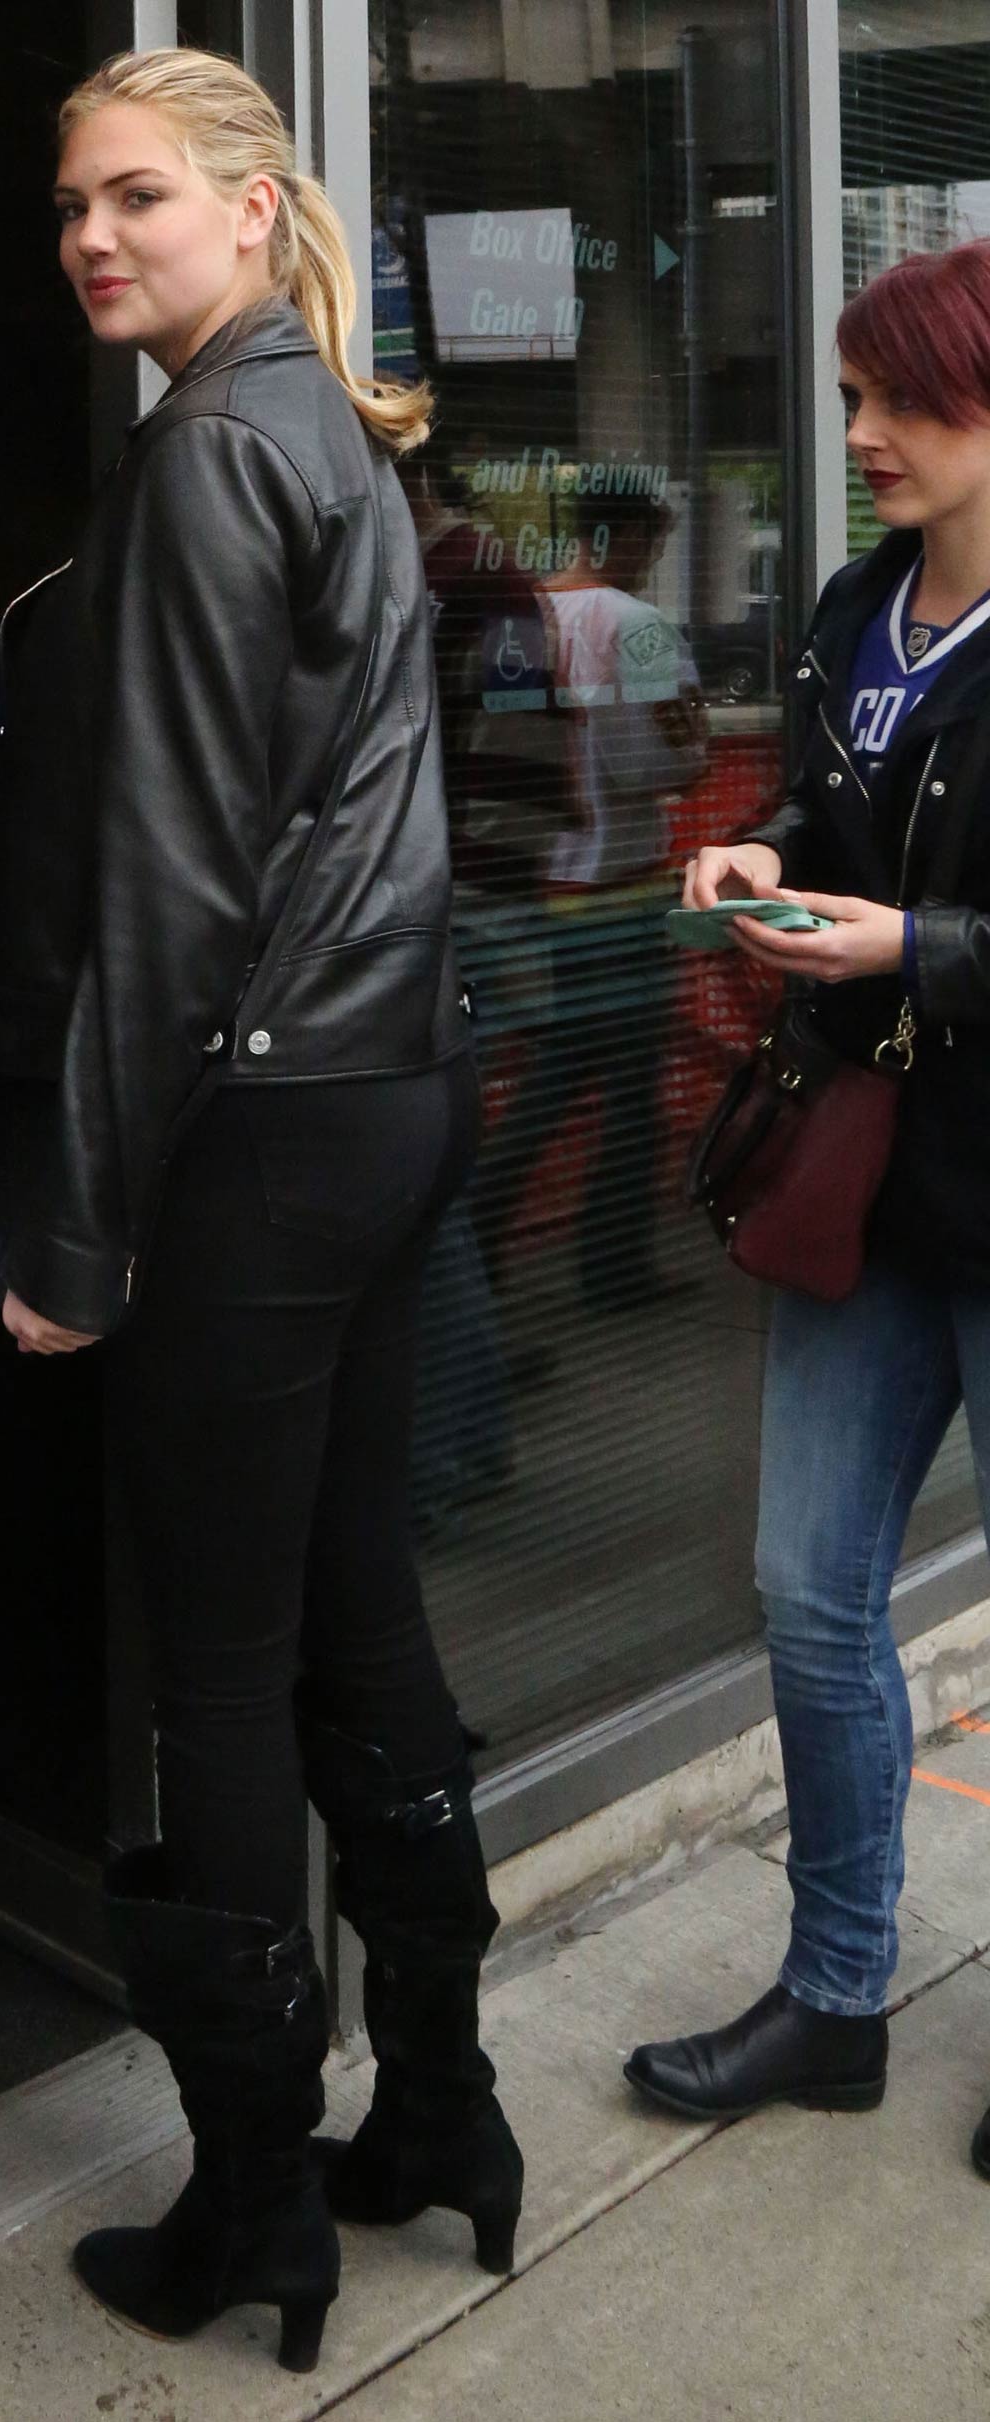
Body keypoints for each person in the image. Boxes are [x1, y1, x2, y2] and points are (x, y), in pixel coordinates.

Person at [0, 47, 520, 2374]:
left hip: (264, 1127)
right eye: (71, 201)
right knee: (351, 1621)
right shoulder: (323, 433)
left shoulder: (209, 449)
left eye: (136, 197)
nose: (94, 236)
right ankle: (446, 2119)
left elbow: (170, 890)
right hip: (384, 1098)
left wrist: (73, 1238)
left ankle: (256, 2204)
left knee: (218, 1671)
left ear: (245, 206)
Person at [625, 238, 990, 2152]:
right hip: (862, 1185)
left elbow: (927, 910)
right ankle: (839, 1992)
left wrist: (916, 943)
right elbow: (818, 813)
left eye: (899, 401)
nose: (857, 434)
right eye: (854, 397)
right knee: (808, 1598)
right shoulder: (858, 603)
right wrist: (761, 860)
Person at [469, 493, 708, 1310]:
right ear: (631, 536)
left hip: (537, 882)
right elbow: (663, 761)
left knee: (556, 1070)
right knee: (629, 1089)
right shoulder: (637, 624)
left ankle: (478, 1257)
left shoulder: (519, 618)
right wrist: (690, 754)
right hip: (620, 887)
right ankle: (610, 1267)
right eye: (653, 541)